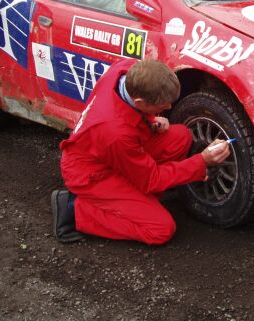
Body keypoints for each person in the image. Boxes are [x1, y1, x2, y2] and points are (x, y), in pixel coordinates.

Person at [53, 59, 231, 245]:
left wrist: (151, 117)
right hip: (91, 175)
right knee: (160, 229)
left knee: (180, 137)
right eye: (162, 105)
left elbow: (127, 114)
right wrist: (201, 162)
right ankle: (74, 209)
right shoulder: (115, 133)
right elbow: (150, 180)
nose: (168, 108)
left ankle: (137, 201)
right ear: (140, 102)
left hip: (108, 150)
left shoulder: (125, 70)